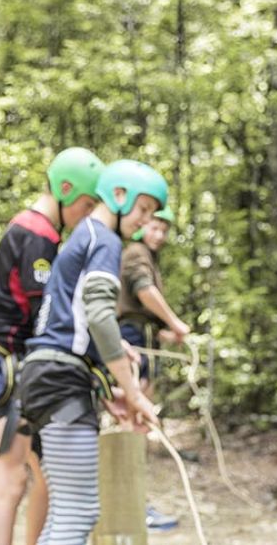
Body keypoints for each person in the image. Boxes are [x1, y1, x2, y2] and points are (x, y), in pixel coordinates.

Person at [0, 147, 105, 545]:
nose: (87, 215)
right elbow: (44, 314)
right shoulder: (35, 233)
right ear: (65, 189)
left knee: (45, 477)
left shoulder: (45, 236)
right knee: (10, 479)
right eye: (86, 204)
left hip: (17, 367)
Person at [17, 159, 166, 544]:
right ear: (119, 196)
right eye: (144, 208)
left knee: (66, 510)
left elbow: (79, 323)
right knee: (79, 511)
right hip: (60, 383)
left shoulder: (83, 236)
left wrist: (110, 372)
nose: (146, 220)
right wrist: (132, 392)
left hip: (46, 378)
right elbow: (99, 316)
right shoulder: (104, 239)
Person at [116, 207, 193, 531]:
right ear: (141, 226)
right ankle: (131, 504)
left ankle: (130, 501)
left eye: (164, 229)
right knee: (133, 422)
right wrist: (174, 321)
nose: (159, 235)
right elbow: (142, 290)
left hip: (142, 338)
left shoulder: (144, 253)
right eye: (154, 227)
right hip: (132, 342)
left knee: (136, 422)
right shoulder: (135, 252)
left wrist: (163, 332)